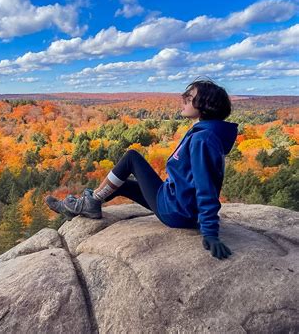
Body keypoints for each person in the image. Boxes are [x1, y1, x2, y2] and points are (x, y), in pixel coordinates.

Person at [45, 78, 238, 260]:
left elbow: (207, 187)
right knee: (120, 184)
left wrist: (210, 232)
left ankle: (87, 204)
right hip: (177, 204)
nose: (183, 99)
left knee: (132, 158)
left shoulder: (203, 139)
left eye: (190, 97)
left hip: (176, 211)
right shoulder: (203, 133)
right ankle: (87, 205)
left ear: (205, 104)